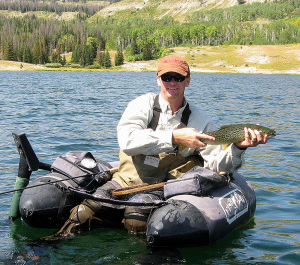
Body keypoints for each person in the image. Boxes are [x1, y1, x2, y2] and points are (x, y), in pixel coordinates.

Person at [49, 55, 268, 239]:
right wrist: (174, 137)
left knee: (135, 220)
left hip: (163, 188)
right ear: (158, 80)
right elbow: (127, 140)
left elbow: (216, 165)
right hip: (124, 181)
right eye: (167, 77)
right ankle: (48, 244)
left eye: (179, 77)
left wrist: (239, 147)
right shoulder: (141, 105)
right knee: (83, 213)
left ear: (188, 81)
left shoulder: (200, 120)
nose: (172, 82)